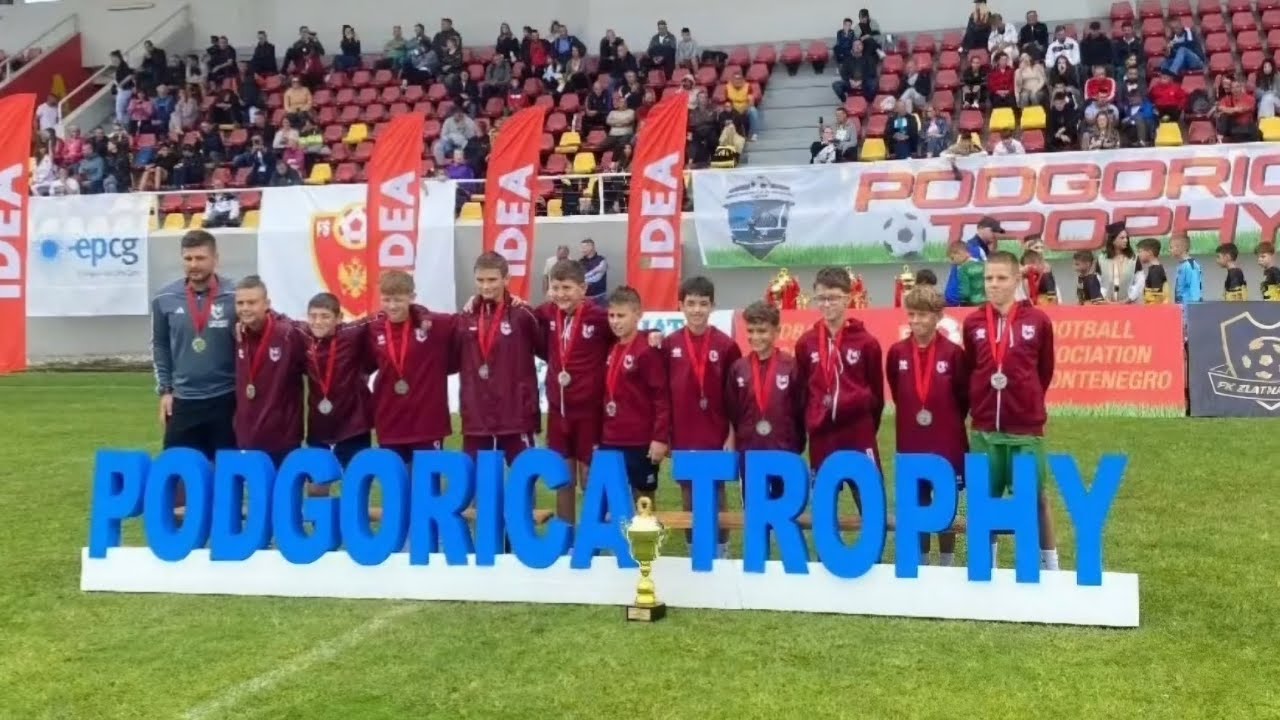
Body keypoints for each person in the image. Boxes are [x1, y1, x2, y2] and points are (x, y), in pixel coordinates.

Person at [962, 251, 1059, 571]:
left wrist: (1027, 402)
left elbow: (1043, 370)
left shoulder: (1038, 321)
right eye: (989, 278)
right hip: (985, 428)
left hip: (1025, 428)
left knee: (1033, 499)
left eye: (1002, 278)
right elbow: (971, 369)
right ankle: (985, 565)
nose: (994, 284)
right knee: (984, 501)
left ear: (1017, 280)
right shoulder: (974, 322)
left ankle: (1049, 565)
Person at [151, 230, 237, 505]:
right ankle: (179, 539)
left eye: (200, 258)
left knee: (227, 473)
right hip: (184, 400)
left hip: (226, 397)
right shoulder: (164, 297)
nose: (194, 264)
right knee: (177, 473)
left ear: (216, 259)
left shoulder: (235, 296)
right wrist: (165, 390)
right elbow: (160, 346)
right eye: (188, 258)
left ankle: (229, 533)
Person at [885, 285, 969, 566]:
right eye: (912, 314)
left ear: (938, 316)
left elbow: (963, 397)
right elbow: (898, 393)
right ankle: (921, 560)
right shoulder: (897, 352)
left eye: (922, 315)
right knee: (916, 502)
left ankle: (946, 561)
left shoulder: (954, 354)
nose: (916, 321)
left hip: (946, 441)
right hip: (911, 440)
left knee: (945, 504)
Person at [659, 276, 741, 557]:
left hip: (716, 432)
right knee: (688, 496)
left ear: (713, 306)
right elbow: (663, 396)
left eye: (703, 304)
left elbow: (735, 397)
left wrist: (731, 434)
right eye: (691, 303)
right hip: (683, 431)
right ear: (680, 305)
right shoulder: (669, 345)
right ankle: (695, 548)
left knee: (717, 494)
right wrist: (665, 434)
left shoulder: (726, 345)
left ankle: (722, 549)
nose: (696, 310)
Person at [794, 267, 884, 508]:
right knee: (825, 501)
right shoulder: (805, 343)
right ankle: (827, 546)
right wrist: (812, 420)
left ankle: (872, 544)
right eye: (821, 298)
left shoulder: (867, 343)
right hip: (822, 433)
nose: (827, 304)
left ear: (848, 298)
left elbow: (876, 395)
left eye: (833, 297)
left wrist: (864, 423)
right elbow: (803, 390)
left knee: (869, 498)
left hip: (858, 431)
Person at [541, 259, 614, 526]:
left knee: (591, 477)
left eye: (567, 288)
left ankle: (598, 542)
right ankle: (567, 542)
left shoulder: (598, 317)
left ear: (583, 288)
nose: (561, 294)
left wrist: (652, 335)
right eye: (556, 287)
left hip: (589, 413)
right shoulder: (547, 314)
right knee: (563, 478)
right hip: (558, 413)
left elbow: (625, 333)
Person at [457, 252, 545, 465]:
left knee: (523, 487)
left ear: (506, 280)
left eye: (492, 280)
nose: (486, 286)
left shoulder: (523, 314)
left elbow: (548, 349)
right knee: (477, 484)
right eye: (480, 280)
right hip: (477, 418)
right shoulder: (466, 316)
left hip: (516, 417)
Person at [366, 270, 458, 465]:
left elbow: (467, 322)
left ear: (412, 298)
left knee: (426, 487)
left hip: (427, 421)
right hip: (390, 420)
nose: (392, 306)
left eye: (398, 300)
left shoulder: (434, 324)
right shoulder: (372, 327)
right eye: (387, 299)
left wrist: (477, 301)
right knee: (396, 487)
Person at [725, 301, 806, 505]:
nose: (755, 337)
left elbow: (800, 407)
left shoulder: (791, 366)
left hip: (784, 448)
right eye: (750, 331)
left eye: (762, 331)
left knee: (786, 508)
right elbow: (733, 409)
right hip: (750, 450)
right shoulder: (738, 368)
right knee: (754, 508)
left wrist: (795, 441)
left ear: (777, 331)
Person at [599, 286, 671, 505]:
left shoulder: (647, 350)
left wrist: (659, 438)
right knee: (613, 499)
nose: (615, 321)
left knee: (644, 499)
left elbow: (661, 397)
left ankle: (646, 541)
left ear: (638, 314)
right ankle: (620, 540)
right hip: (610, 438)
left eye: (621, 315)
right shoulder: (610, 347)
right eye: (611, 315)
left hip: (640, 441)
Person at [231, 276, 308, 468]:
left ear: (267, 304)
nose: (245, 308)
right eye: (240, 303)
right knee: (258, 496)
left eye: (252, 302)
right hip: (248, 435)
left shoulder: (287, 334)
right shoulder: (239, 333)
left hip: (283, 438)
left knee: (284, 497)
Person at [302, 292, 374, 473]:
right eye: (313, 316)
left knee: (357, 485)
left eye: (325, 316)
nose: (317, 322)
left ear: (339, 318)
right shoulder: (302, 335)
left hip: (353, 427)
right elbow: (276, 318)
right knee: (316, 489)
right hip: (319, 427)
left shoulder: (353, 333)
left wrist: (421, 314)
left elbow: (384, 315)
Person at [945, 217, 1001, 306]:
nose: (995, 234)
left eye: (997, 231)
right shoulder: (974, 249)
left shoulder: (976, 248)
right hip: (963, 301)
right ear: (980, 228)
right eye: (992, 230)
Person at [1100, 222, 1136, 303]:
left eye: (1126, 238)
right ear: (1113, 240)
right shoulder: (1102, 258)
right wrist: (1105, 299)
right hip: (1107, 305)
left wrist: (1128, 299)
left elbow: (1139, 282)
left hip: (1129, 305)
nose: (1126, 240)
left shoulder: (1133, 258)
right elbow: (1098, 281)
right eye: (1122, 238)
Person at [948, 240, 986, 306]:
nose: (952, 262)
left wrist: (962, 302)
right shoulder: (983, 265)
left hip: (970, 304)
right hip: (983, 302)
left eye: (952, 258)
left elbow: (965, 292)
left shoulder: (963, 269)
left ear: (959, 253)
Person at [1133, 238, 1170, 304]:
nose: (1138, 255)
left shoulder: (1155, 271)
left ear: (1149, 253)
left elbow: (1157, 298)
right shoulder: (1156, 269)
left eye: (1140, 251)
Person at [1170, 234, 1203, 304]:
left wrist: (1193, 309)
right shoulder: (1182, 265)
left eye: (1171, 247)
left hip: (1190, 309)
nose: (1170, 250)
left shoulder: (1191, 266)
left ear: (1181, 248)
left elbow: (1195, 291)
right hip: (1181, 307)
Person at [580, 238, 608, 304]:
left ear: (591, 247)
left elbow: (597, 278)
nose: (581, 250)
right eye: (581, 247)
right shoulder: (580, 262)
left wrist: (582, 280)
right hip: (584, 298)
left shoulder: (601, 261)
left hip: (599, 297)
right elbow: (577, 276)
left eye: (584, 247)